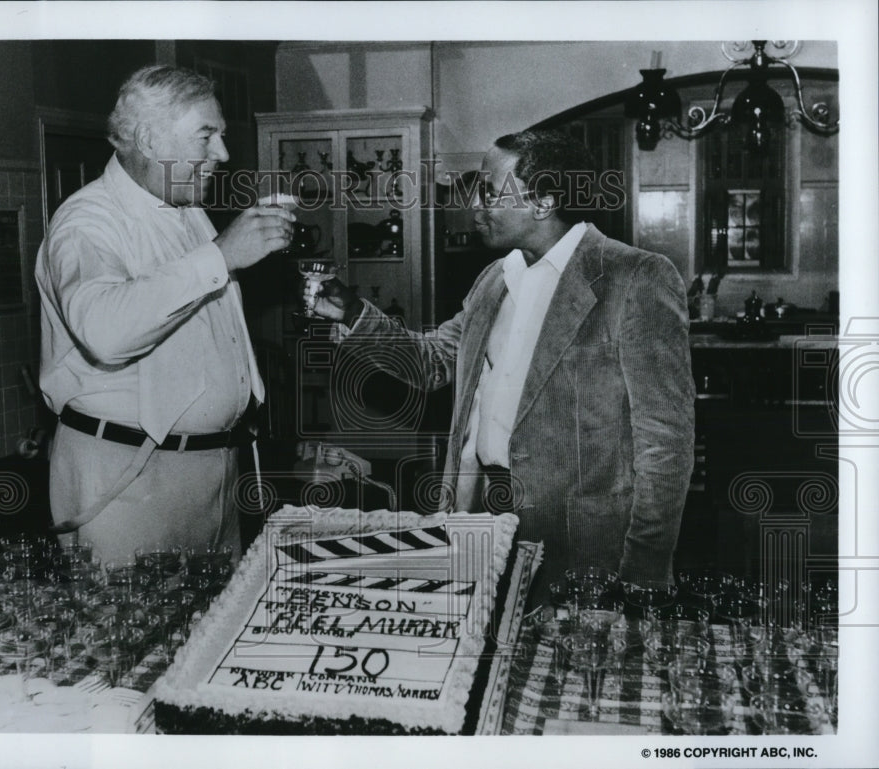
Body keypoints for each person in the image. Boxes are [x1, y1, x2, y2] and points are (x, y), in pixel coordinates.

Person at [312, 128, 695, 589]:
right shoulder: (495, 278)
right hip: (478, 519)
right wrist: (353, 313)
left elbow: (665, 446)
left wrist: (644, 572)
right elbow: (431, 362)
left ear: (543, 203)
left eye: (490, 191)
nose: (475, 204)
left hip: (581, 543)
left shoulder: (635, 278)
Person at [35, 65, 295, 567]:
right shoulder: (87, 221)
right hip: (129, 482)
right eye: (206, 135)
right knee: (132, 619)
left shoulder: (184, 209)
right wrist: (222, 255)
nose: (223, 153)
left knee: (217, 617)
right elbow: (105, 333)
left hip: (212, 475)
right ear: (150, 140)